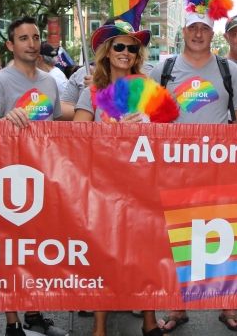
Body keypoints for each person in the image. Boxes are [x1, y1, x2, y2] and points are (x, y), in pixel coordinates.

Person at [149, 0, 237, 333]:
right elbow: (145, 117)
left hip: (220, 173)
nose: (197, 34)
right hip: (173, 172)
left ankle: (229, 305)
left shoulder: (230, 70)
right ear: (183, 31)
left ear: (213, 34)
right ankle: (177, 307)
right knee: (178, 240)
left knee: (226, 236)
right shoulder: (161, 69)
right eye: (192, 28)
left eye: (203, 29)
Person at [73, 19, 162, 336]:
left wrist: (148, 124)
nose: (126, 52)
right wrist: (109, 132)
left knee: (146, 254)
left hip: (142, 184)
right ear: (107, 52)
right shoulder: (93, 92)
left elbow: (167, 136)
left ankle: (150, 320)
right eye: (120, 46)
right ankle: (99, 327)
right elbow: (76, 137)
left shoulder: (149, 90)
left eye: (132, 47)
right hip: (103, 187)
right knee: (104, 256)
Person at [0, 16, 66, 336]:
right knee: (9, 252)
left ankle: (35, 314)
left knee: (35, 250)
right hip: (8, 178)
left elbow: (58, 128)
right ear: (10, 45)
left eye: (35, 37)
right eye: (23, 38)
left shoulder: (50, 81)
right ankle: (11, 322)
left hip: (41, 177)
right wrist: (3, 119)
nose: (31, 43)